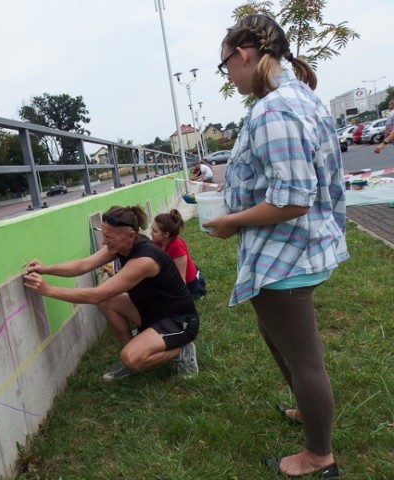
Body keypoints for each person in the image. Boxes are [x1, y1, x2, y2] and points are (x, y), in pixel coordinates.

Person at [204, 14, 348, 478]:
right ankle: (309, 412)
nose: (227, 72)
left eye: (225, 63)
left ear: (244, 54)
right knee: (278, 339)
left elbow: (291, 200)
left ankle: (318, 456)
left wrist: (230, 223)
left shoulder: (274, 109)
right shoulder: (298, 97)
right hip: (293, 251)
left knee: (304, 359)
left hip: (288, 255)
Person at [24, 205, 199, 381]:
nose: (104, 242)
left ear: (131, 235)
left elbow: (96, 294)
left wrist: (48, 290)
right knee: (109, 302)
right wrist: (45, 269)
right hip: (151, 314)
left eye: (109, 237)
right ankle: (134, 354)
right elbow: (84, 265)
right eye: (103, 234)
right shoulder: (123, 245)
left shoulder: (145, 260)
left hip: (178, 321)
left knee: (130, 357)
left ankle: (180, 349)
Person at [150, 209, 207, 299]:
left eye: (154, 231)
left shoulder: (177, 246)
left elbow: (181, 278)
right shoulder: (157, 242)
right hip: (169, 279)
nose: (151, 233)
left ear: (166, 234)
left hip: (189, 285)